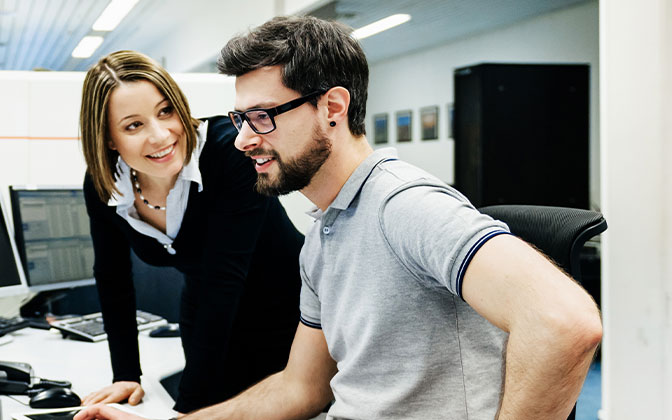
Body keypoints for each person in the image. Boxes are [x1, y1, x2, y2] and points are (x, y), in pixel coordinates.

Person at [75, 16, 602, 420]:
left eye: (262, 117)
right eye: (239, 118)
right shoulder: (326, 232)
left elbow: (564, 322)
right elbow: (299, 388)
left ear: (332, 107)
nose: (241, 139)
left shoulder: (406, 205)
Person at [76, 50, 305, 414]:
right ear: (107, 139)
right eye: (133, 125)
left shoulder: (229, 153)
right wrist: (126, 374)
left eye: (166, 111)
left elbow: (224, 282)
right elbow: (112, 277)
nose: (160, 135)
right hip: (204, 309)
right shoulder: (106, 185)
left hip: (288, 307)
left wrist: (188, 411)